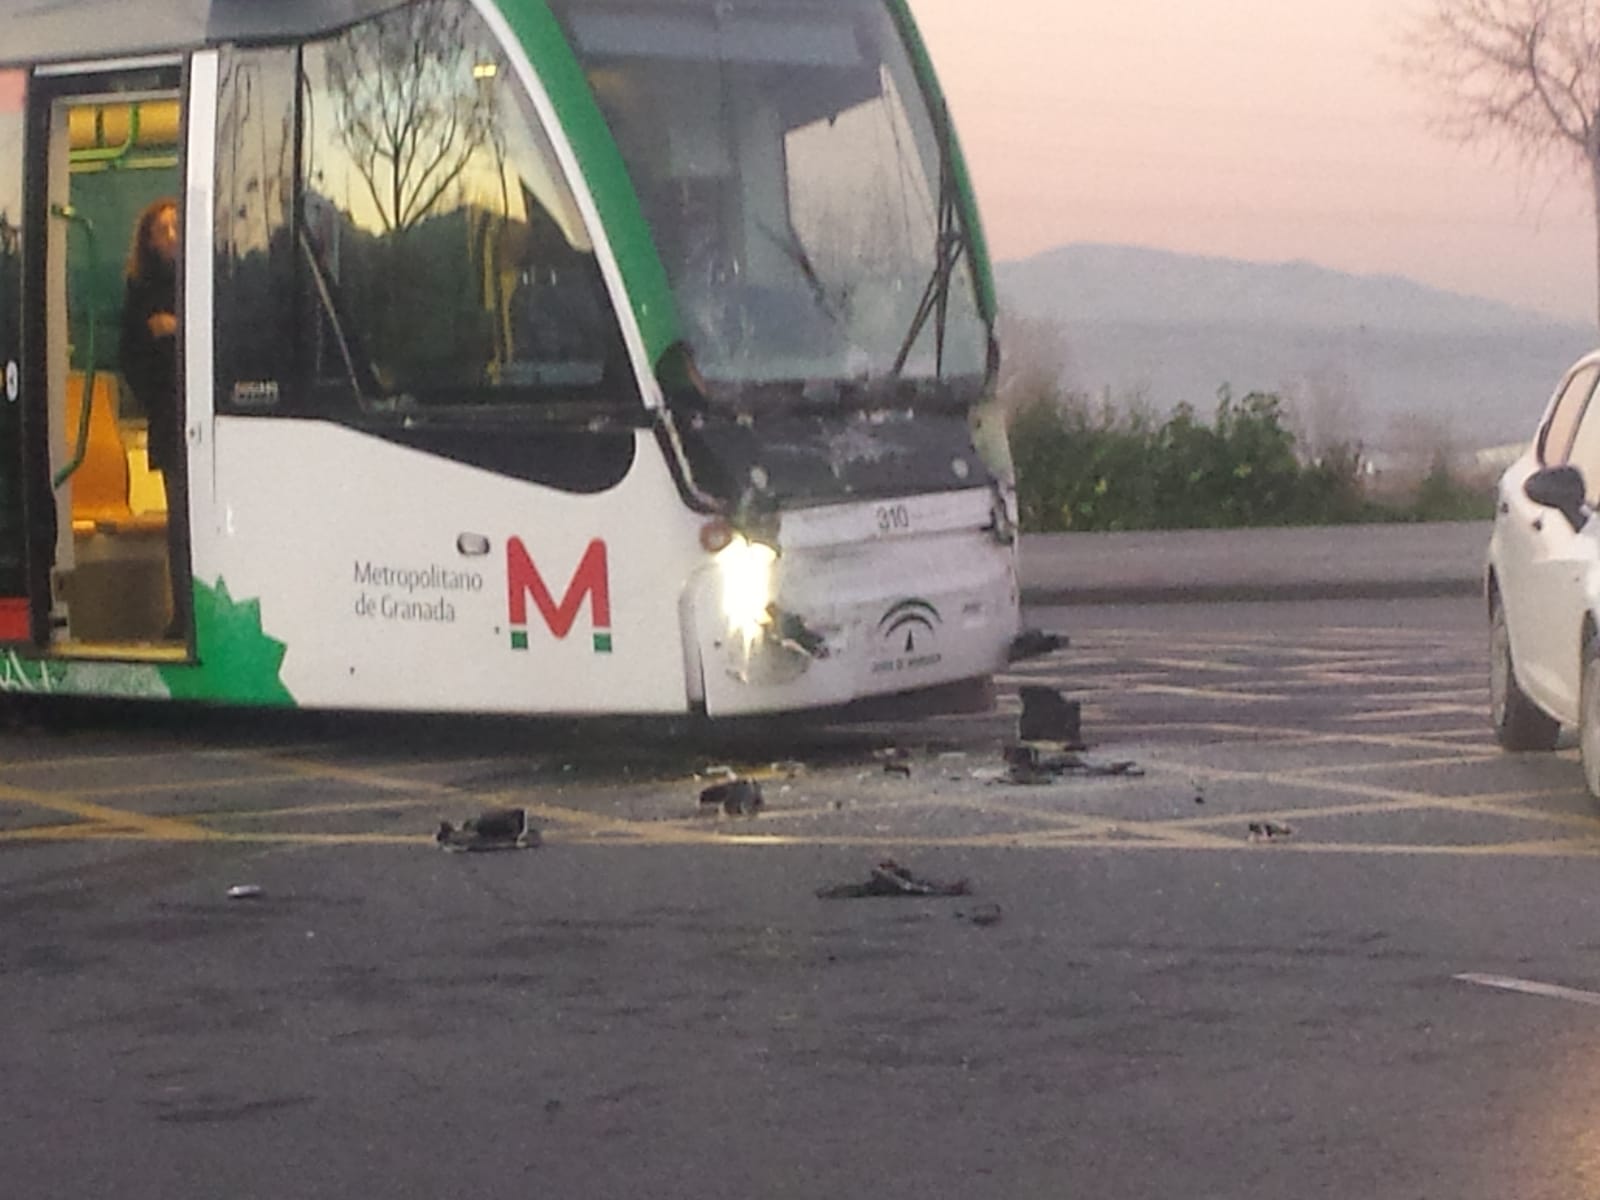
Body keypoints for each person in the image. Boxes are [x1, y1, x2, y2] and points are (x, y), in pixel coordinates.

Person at [118, 197, 188, 640]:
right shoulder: (141, 293)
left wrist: (177, 329)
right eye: (161, 230)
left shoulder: (211, 279)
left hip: (212, 421)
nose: (171, 236)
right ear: (148, 241)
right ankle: (183, 617)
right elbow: (129, 358)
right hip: (169, 421)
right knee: (180, 525)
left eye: (177, 227)